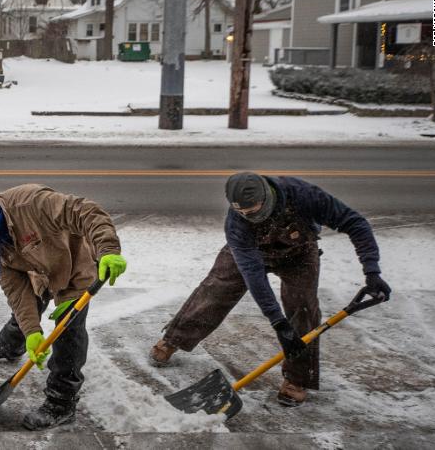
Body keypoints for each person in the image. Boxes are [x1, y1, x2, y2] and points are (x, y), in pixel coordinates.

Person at [150, 172, 391, 406]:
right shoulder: (237, 224)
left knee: (303, 310)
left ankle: (297, 379)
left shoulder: (304, 195)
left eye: (252, 210)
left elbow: (355, 223)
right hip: (251, 254)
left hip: (299, 252)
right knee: (216, 291)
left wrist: (372, 271)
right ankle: (175, 338)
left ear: (266, 197)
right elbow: (253, 275)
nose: (247, 216)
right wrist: (277, 322)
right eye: (241, 212)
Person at [0, 184, 127, 430]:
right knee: (23, 313)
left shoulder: (33, 204)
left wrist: (108, 250)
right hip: (39, 272)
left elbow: (85, 211)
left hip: (74, 269)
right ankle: (11, 345)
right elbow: (15, 289)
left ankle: (61, 403)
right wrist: (32, 331)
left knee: (68, 333)